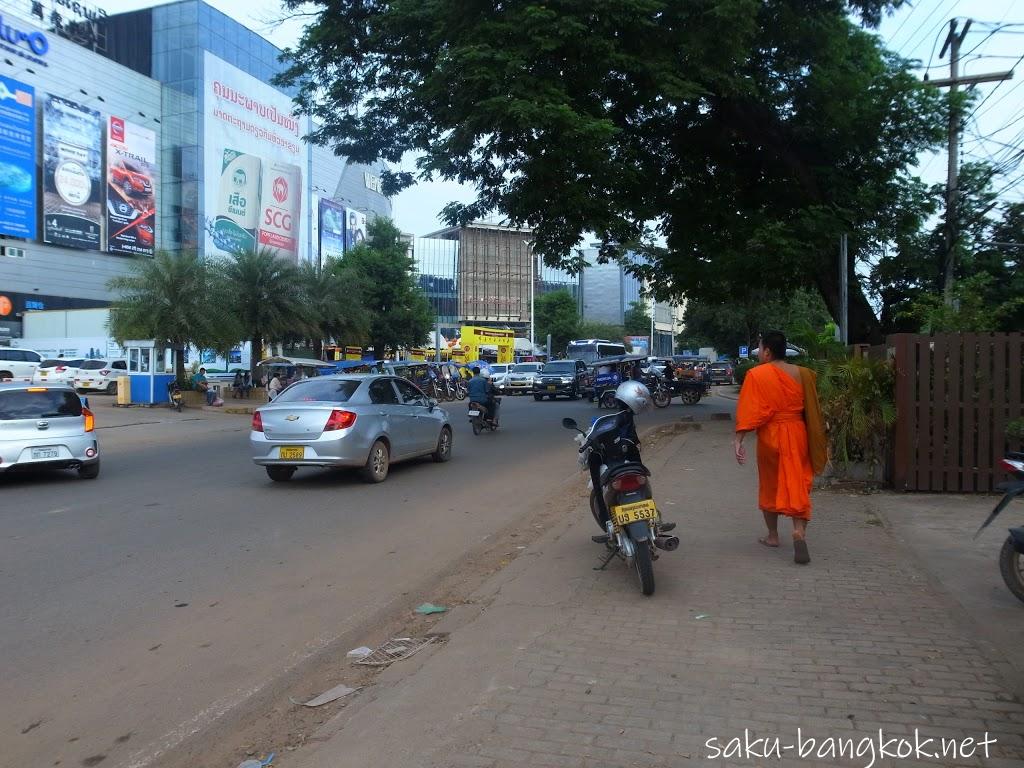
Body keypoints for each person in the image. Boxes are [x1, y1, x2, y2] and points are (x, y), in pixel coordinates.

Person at [734, 330, 824, 565]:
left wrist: (739, 440)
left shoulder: (756, 375)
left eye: (760, 349)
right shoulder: (803, 374)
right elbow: (812, 409)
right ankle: (799, 531)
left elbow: (750, 411)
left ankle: (773, 536)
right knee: (798, 480)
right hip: (797, 433)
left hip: (771, 437)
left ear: (767, 351)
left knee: (770, 484)